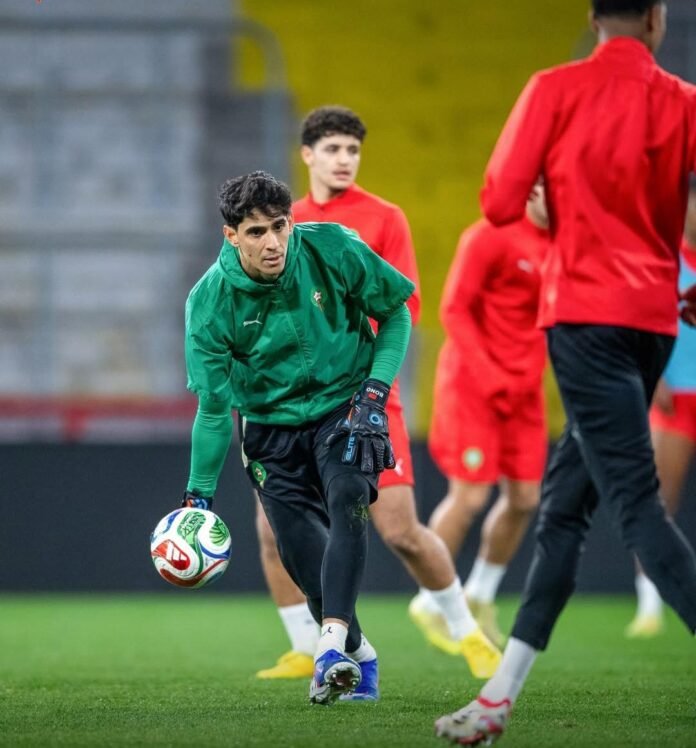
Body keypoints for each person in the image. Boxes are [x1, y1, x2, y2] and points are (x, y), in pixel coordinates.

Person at [435, 1, 696, 743]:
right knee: (562, 511)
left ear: (592, 16)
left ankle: (497, 698)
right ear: (657, 19)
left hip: (585, 320)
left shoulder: (554, 88)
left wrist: (557, 200)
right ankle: (499, 698)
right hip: (654, 320)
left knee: (637, 509)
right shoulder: (685, 101)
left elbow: (499, 200)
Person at [253, 105, 502, 686]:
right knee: (271, 529)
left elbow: (403, 304)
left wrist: (344, 353)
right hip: (294, 403)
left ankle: (466, 632)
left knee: (400, 530)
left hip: (366, 394)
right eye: (333, 149)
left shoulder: (384, 218)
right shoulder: (284, 223)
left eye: (353, 150)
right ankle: (304, 645)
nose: (344, 160)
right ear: (307, 155)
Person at [182, 170, 416, 705]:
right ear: (231, 236)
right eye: (256, 232)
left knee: (350, 496)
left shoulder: (333, 247)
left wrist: (374, 394)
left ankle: (327, 650)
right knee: (301, 554)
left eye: (280, 226)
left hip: (345, 405)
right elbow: (214, 410)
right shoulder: (209, 303)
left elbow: (395, 313)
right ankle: (360, 653)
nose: (272, 243)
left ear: (291, 222)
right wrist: (198, 495)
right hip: (269, 429)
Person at [410, 184, 550, 651]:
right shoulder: (489, 236)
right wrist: (491, 375)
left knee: (525, 498)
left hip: (526, 392)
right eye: (548, 187)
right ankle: (430, 599)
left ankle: (479, 595)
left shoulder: (568, 243)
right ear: (529, 190)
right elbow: (454, 309)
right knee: (469, 496)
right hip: (475, 386)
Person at [627, 181, 696, 638]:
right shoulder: (665, 260)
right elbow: (641, 317)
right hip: (674, 396)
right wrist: (656, 379)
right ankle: (649, 603)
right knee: (658, 499)